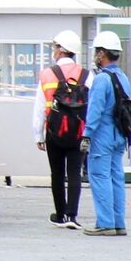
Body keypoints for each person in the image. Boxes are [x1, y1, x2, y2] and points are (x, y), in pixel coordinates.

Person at [36, 30, 89, 229]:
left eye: (55, 46)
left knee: (57, 174)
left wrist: (38, 135)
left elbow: (39, 107)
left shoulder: (46, 74)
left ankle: (59, 214)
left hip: (54, 131)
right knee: (74, 173)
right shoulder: (86, 75)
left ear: (61, 50)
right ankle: (72, 215)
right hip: (78, 132)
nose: (54, 50)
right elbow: (90, 106)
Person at [83, 30, 131, 236]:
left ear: (102, 53)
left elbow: (95, 111)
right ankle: (118, 222)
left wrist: (87, 135)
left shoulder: (102, 79)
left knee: (99, 176)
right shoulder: (123, 77)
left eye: (97, 51)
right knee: (116, 177)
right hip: (120, 135)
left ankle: (105, 222)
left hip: (102, 135)